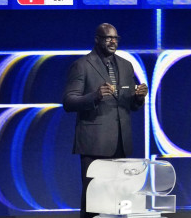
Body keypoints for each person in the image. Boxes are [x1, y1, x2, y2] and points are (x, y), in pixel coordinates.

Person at [63, 23, 148, 218]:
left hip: (121, 144)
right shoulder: (82, 65)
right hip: (94, 144)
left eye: (115, 38)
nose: (113, 41)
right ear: (97, 39)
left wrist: (138, 98)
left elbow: (128, 105)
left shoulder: (126, 65)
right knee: (94, 202)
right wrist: (95, 96)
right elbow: (69, 102)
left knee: (118, 200)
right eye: (108, 38)